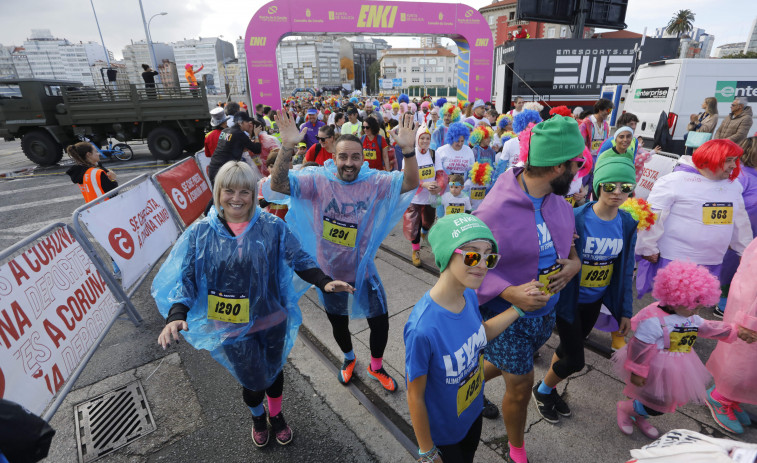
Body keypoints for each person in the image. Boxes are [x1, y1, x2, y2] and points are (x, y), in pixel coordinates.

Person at [152, 161, 354, 448]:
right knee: (251, 381)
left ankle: (276, 415)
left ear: (253, 194)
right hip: (231, 325)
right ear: (218, 191)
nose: (236, 198)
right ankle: (258, 417)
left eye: (244, 191)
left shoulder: (272, 226)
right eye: (229, 190)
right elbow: (187, 279)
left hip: (272, 318)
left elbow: (299, 258)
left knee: (273, 374)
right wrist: (176, 313)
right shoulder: (201, 233)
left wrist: (324, 281)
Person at [269, 110, 419, 393]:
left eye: (355, 157)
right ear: (333, 158)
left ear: (363, 159)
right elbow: (277, 185)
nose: (349, 163)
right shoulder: (318, 181)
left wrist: (409, 151)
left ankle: (376, 365)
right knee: (338, 324)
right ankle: (349, 358)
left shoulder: (374, 182)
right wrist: (287, 146)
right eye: (343, 157)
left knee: (380, 322)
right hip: (329, 273)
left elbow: (411, 183)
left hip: (363, 271)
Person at [473, 115, 586, 463]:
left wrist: (575, 262)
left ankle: (465, 379)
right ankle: (517, 450)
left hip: (544, 312)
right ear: (557, 167)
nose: (580, 171)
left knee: (503, 364)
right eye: (577, 164)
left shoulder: (555, 200)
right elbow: (466, 264)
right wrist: (509, 293)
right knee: (520, 387)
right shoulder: (494, 208)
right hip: (506, 316)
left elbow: (567, 243)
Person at [404, 214, 540, 463]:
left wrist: (519, 308)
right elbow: (415, 394)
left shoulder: (468, 296)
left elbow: (480, 335)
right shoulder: (422, 329)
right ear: (447, 254)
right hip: (445, 434)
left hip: (473, 413)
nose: (482, 265)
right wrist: (427, 450)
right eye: (472, 255)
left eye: (488, 256)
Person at [533, 156, 637, 424]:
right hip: (568, 298)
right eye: (610, 186)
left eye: (625, 187)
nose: (617, 193)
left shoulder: (626, 223)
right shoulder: (576, 216)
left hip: (595, 300)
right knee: (576, 360)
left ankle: (550, 387)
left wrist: (624, 311)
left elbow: (625, 270)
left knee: (568, 351)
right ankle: (542, 390)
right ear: (598, 185)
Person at [613, 261, 756, 439]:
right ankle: (625, 409)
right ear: (675, 298)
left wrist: (735, 331)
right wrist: (638, 371)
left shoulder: (690, 317)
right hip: (654, 367)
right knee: (654, 401)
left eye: (699, 306)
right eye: (693, 305)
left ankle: (638, 414)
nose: (696, 311)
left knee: (660, 401)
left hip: (677, 365)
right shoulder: (654, 320)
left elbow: (708, 327)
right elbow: (639, 348)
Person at [635, 139, 752, 304]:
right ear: (710, 158)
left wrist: (745, 251)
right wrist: (647, 247)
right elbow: (655, 216)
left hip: (712, 261)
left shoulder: (733, 186)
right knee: (671, 308)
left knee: (696, 309)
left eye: (735, 160)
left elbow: (740, 221)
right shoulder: (674, 181)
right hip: (676, 260)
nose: (733, 165)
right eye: (728, 160)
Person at [706, 236, 757, 434]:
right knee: (744, 362)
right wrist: (750, 320)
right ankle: (721, 397)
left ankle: (731, 395)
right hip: (751, 311)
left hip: (749, 308)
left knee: (747, 365)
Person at [403, 125, 445, 267]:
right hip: (414, 197)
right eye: (422, 138)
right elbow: (406, 176)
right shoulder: (410, 154)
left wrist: (439, 185)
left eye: (428, 138)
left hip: (430, 196)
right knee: (414, 225)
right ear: (417, 139)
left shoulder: (434, 154)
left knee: (427, 222)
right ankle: (416, 250)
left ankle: (424, 233)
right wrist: (423, 185)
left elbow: (440, 173)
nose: (425, 141)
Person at [208, 112, 262, 184]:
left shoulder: (225, 131)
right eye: (247, 122)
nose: (249, 124)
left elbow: (233, 147)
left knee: (218, 194)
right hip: (225, 171)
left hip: (213, 168)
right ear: (240, 122)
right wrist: (256, 135)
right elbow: (257, 149)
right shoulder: (239, 134)